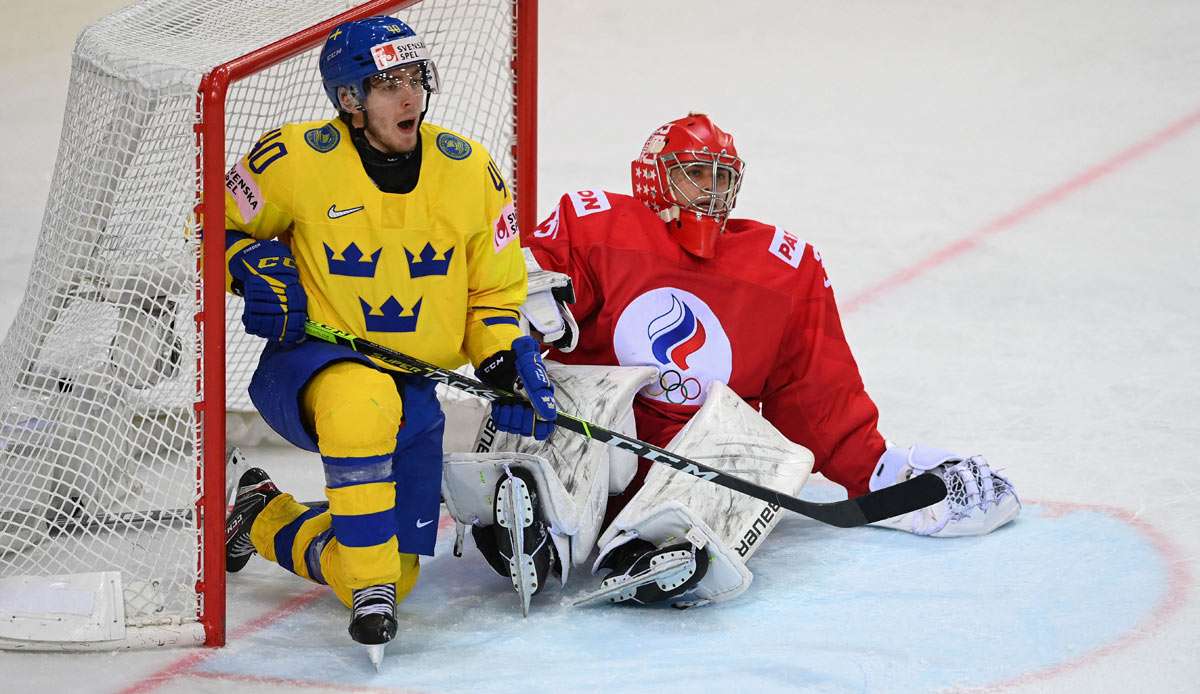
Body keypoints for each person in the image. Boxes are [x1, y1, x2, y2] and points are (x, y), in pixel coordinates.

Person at [448, 113, 1019, 610]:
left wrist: (873, 470)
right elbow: (516, 290)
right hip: (602, 443)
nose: (711, 190)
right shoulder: (594, 223)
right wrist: (526, 311)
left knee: (755, 441)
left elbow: (812, 390)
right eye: (695, 172)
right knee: (569, 391)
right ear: (654, 175)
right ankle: (533, 524)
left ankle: (659, 551)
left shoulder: (782, 268)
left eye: (723, 176)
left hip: (691, 463)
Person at [219, 16, 556, 660]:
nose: (409, 98)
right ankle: (367, 585)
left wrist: (505, 361)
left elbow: (493, 294)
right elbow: (210, 222)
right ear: (349, 99)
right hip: (313, 363)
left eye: (413, 79)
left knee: (392, 570)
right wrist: (245, 264)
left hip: (413, 384)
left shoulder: (471, 172)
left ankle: (260, 513)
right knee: (362, 405)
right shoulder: (292, 160)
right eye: (387, 84)